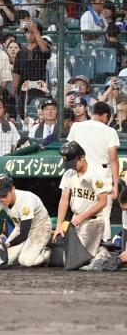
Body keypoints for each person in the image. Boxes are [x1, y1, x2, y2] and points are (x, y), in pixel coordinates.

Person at [66, 101, 120, 240]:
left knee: (80, 211)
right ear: (105, 116)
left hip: (81, 172)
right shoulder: (109, 130)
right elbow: (113, 158)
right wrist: (115, 184)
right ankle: (104, 245)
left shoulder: (76, 126)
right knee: (103, 214)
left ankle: (79, 248)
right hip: (101, 174)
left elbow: (69, 149)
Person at [54, 141, 110, 258]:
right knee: (67, 259)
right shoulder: (69, 174)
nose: (71, 166)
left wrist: (83, 216)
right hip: (76, 221)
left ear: (82, 157)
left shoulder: (96, 174)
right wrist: (59, 225)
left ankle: (103, 252)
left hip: (92, 221)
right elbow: (64, 200)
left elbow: (103, 201)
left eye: (73, 163)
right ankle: (97, 250)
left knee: (80, 260)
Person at [0, 174, 51, 267]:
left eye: (4, 194)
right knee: (5, 260)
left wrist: (8, 244)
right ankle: (23, 252)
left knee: (25, 261)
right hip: (19, 228)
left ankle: (46, 254)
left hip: (40, 227)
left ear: (12, 189)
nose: (1, 198)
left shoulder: (26, 200)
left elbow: (24, 234)